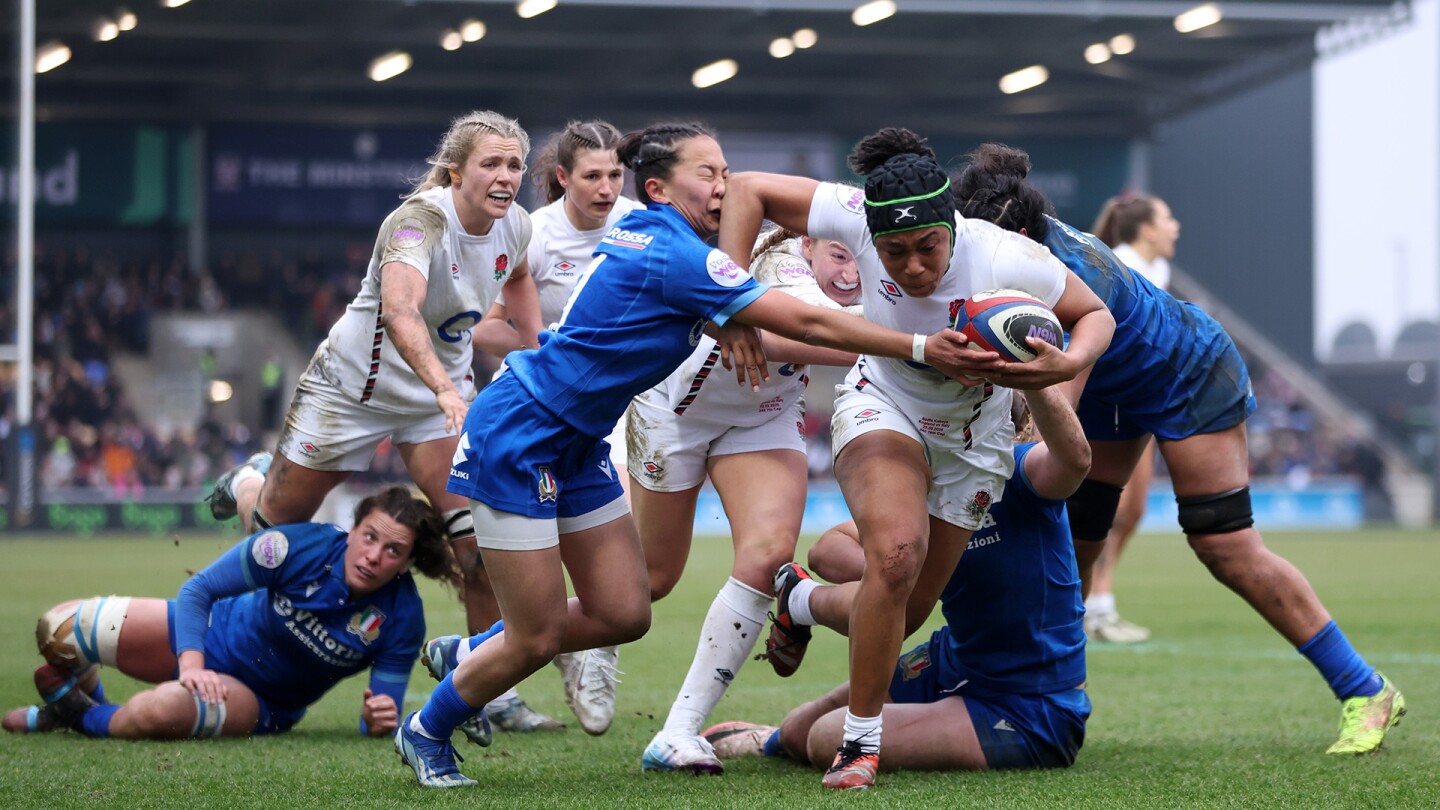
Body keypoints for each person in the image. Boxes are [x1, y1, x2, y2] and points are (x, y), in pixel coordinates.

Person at [393, 121, 986, 789]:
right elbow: (805, 322)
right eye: (708, 173)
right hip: (519, 437)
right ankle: (426, 729)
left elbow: (736, 291)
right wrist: (916, 350)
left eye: (725, 171)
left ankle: (472, 654)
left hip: (577, 442)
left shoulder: (662, 241)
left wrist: (730, 311)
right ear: (658, 188)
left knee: (626, 611)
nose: (723, 186)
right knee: (533, 638)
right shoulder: (678, 253)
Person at [952, 143, 1405, 756]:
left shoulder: (1052, 276)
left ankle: (1365, 689)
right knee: (1070, 539)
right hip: (1115, 389)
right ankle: (1040, 688)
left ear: (1026, 235)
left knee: (1224, 546)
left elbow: (1044, 424)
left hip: (1188, 368)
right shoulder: (1001, 233)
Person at [717, 127, 1114, 789]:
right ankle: (860, 745)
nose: (914, 267)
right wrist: (725, 299)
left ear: (951, 227)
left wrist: (1064, 365)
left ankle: (802, 604)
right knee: (896, 554)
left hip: (974, 444)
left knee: (908, 607)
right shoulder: (851, 216)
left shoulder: (1003, 257)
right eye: (894, 253)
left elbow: (1093, 312)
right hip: (885, 404)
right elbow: (747, 189)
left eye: (928, 247)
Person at [203, 110, 543, 745]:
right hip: (349, 390)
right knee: (272, 542)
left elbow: (518, 276)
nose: (505, 176)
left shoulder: (515, 225)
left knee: (478, 551)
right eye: (491, 164)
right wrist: (445, 386)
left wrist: (532, 342)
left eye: (515, 165)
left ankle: (480, 690)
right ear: (455, 171)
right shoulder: (418, 222)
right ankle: (252, 482)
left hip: (432, 408)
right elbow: (400, 308)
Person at [702, 386, 1092, 777]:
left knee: (825, 738)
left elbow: (1075, 460)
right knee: (799, 729)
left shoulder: (1021, 471)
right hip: (953, 662)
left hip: (1031, 706)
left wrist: (1034, 376)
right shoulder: (930, 490)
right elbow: (826, 551)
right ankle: (777, 738)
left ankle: (801, 602)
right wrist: (898, 575)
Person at [636, 228, 864, 773]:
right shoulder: (782, 261)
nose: (851, 274)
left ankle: (678, 733)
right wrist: (915, 344)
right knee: (643, 587)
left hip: (764, 413)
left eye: (861, 258)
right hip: (675, 408)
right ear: (808, 245)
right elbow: (784, 337)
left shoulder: (885, 269)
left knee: (766, 559)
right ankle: (494, 649)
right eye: (838, 256)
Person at [3, 487, 453, 741]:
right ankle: (86, 695)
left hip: (261, 700)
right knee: (58, 629)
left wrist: (378, 720)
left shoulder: (403, 616)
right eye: (370, 537)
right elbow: (199, 589)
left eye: (394, 550)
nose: (375, 556)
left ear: (407, 561)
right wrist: (192, 664)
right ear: (353, 529)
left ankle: (78, 717)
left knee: (159, 711)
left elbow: (380, 714)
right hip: (210, 635)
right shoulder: (297, 546)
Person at [458, 120, 641, 737]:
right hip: (543, 408)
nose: (608, 188)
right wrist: (544, 346)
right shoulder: (534, 234)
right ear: (562, 178)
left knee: (629, 557)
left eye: (616, 174)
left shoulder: (638, 224)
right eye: (593, 176)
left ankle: (593, 651)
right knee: (555, 548)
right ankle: (549, 644)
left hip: (623, 406)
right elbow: (481, 326)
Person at [1078, 193, 1182, 643]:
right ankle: (1088, 605)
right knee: (1108, 508)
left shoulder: (1158, 270)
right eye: (1168, 218)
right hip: (1110, 400)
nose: (1176, 226)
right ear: (1147, 230)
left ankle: (1099, 602)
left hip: (1138, 399)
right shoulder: (1119, 265)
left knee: (1132, 509)